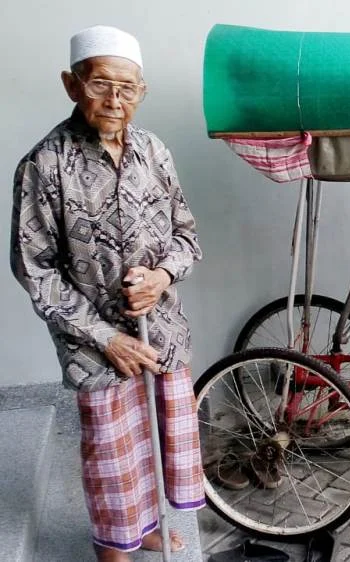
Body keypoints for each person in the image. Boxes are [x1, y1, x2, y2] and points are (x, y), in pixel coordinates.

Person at [10, 25, 204, 561]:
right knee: (113, 456)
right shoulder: (44, 164)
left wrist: (162, 277)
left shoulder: (154, 151)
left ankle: (145, 530)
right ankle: (114, 549)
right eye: (100, 85)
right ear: (72, 86)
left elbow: (187, 236)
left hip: (161, 331)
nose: (115, 101)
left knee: (158, 442)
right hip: (96, 345)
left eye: (128, 88)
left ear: (141, 92)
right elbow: (35, 269)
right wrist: (106, 337)